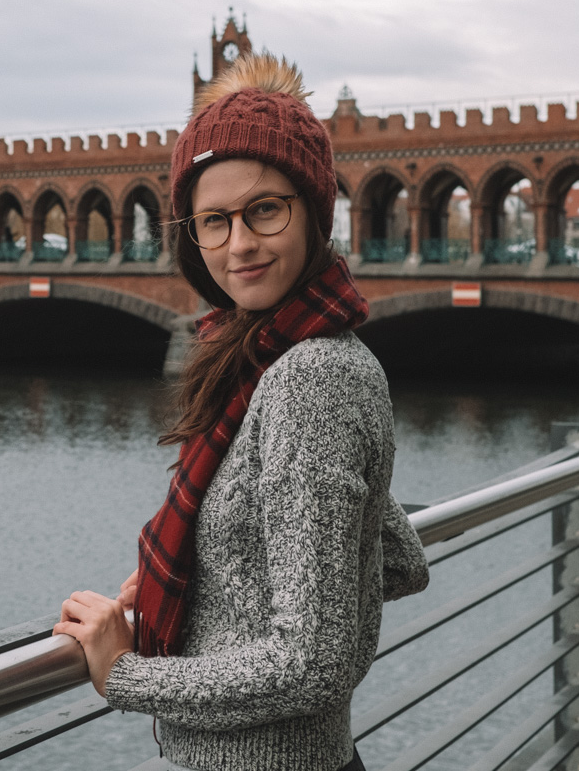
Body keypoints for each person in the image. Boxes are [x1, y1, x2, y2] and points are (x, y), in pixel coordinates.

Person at [54, 52, 429, 771]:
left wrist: (123, 673)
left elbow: (310, 665)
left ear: (313, 211)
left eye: (265, 210)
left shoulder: (306, 377)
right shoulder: (283, 358)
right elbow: (399, 560)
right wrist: (211, 577)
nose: (240, 245)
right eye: (214, 221)